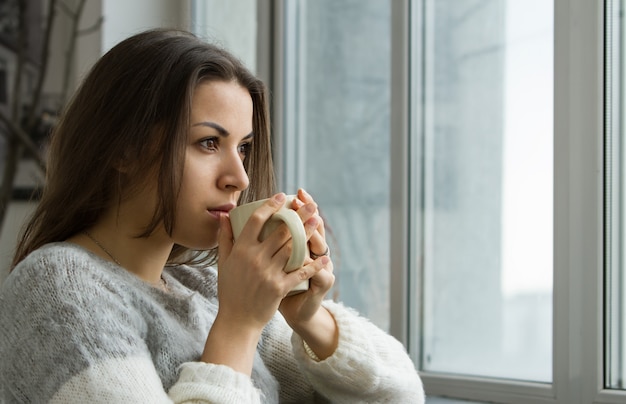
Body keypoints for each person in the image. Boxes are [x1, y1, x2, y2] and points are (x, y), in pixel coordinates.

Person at [0, 28, 425, 403]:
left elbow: (401, 395)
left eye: (243, 147)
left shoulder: (206, 289)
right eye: (207, 143)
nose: (238, 177)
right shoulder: (58, 288)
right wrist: (238, 327)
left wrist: (307, 317)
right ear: (124, 149)